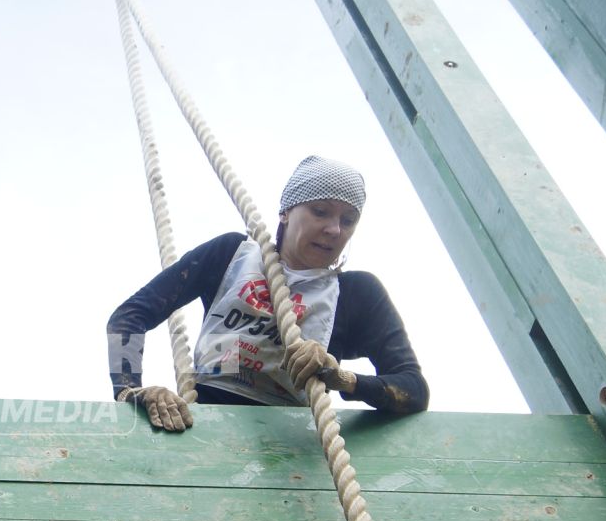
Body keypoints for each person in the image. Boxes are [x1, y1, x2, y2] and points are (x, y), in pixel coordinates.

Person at [106, 155, 427, 432]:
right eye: (320, 211)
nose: (334, 229)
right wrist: (131, 391)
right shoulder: (231, 254)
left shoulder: (357, 293)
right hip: (205, 420)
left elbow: (413, 388)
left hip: (292, 447)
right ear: (286, 211)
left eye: (348, 220)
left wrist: (342, 378)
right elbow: (128, 318)